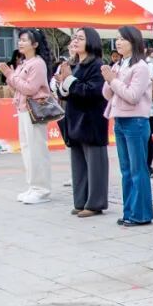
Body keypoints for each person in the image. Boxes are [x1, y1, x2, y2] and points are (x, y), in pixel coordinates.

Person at [54, 28, 109, 217]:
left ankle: (95, 203)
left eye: (80, 38)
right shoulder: (76, 64)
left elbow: (92, 91)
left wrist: (69, 80)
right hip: (75, 119)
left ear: (91, 41)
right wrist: (62, 84)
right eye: (75, 37)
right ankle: (80, 201)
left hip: (91, 121)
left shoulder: (97, 65)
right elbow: (69, 92)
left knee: (95, 165)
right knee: (78, 165)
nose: (75, 41)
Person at [103, 26, 153, 225]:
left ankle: (140, 214)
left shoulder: (140, 67)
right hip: (120, 120)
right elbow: (107, 94)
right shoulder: (119, 64)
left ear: (133, 42)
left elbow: (133, 96)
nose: (118, 42)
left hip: (136, 121)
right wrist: (110, 80)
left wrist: (113, 81)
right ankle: (129, 211)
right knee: (126, 169)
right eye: (117, 38)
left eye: (123, 39)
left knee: (137, 169)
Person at [0, 28, 53, 204]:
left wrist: (10, 75)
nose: (20, 43)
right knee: (27, 149)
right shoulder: (24, 63)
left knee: (36, 150)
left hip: (33, 110)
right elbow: (17, 87)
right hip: (23, 109)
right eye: (20, 39)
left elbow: (30, 88)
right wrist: (10, 76)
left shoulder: (37, 63)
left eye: (25, 40)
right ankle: (33, 186)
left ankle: (42, 189)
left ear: (35, 44)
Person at [144, 47, 153, 177]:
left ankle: (148, 166)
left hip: (148, 108)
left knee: (148, 138)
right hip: (135, 110)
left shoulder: (149, 65)